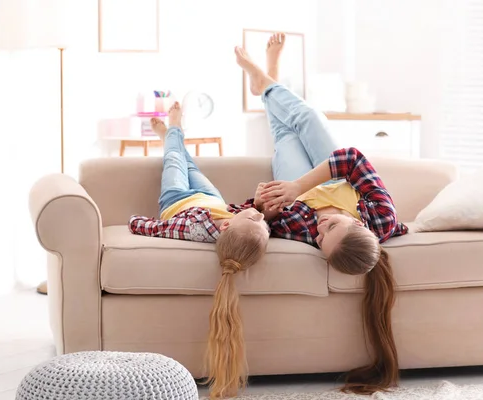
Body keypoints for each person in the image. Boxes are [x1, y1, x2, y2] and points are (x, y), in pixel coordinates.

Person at [234, 33, 408, 394]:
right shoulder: (380, 217)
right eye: (329, 227)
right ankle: (264, 80)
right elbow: (351, 159)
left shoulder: (303, 230)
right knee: (307, 115)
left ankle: (268, 78)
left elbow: (261, 216)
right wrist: (298, 188)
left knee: (284, 135)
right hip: (327, 171)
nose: (317, 233)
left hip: (303, 184)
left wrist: (260, 206)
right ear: (357, 223)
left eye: (319, 242)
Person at [128, 102, 270, 398]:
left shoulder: (194, 229)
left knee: (175, 162)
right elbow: (247, 214)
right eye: (261, 222)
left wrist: (133, 221)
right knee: (190, 162)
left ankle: (172, 129)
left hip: (177, 198)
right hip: (212, 199)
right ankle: (172, 134)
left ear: (228, 229)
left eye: (255, 219)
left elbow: (155, 228)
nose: (260, 216)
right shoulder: (235, 224)